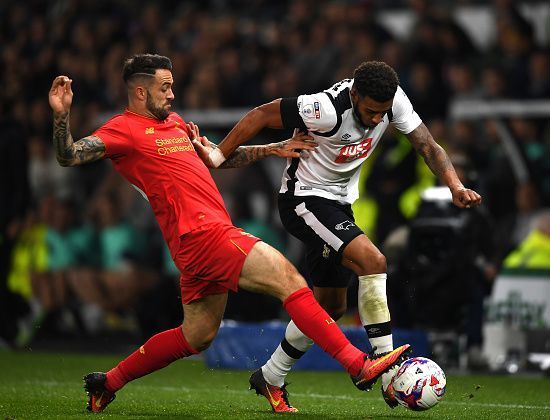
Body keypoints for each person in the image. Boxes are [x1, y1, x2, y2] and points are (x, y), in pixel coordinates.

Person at [47, 54, 410, 414]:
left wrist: (272, 149)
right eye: (165, 87)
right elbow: (70, 155)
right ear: (140, 92)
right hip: (203, 235)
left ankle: (106, 384)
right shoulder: (122, 129)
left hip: (195, 244)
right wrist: (62, 116)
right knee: (290, 280)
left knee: (196, 335)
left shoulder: (174, 123)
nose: (173, 94)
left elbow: (216, 159)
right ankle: (357, 365)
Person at [192, 61, 482, 411]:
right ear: (355, 95)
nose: (378, 120)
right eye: (371, 112)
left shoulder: (394, 101)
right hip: (303, 199)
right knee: (373, 260)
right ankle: (387, 369)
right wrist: (218, 153)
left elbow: (428, 145)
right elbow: (261, 114)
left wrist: (455, 185)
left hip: (339, 205)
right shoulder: (325, 109)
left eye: (383, 114)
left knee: (330, 306)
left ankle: (270, 375)